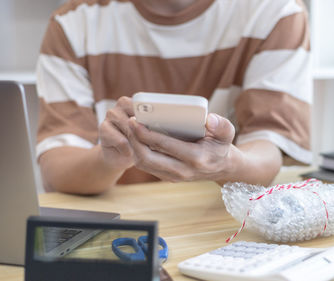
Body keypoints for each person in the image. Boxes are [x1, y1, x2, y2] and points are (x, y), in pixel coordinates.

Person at [36, 0, 312, 194]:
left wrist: (226, 164)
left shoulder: (275, 11)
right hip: (121, 221)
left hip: (217, 222)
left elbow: (268, 154)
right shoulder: (73, 22)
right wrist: (110, 158)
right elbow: (56, 168)